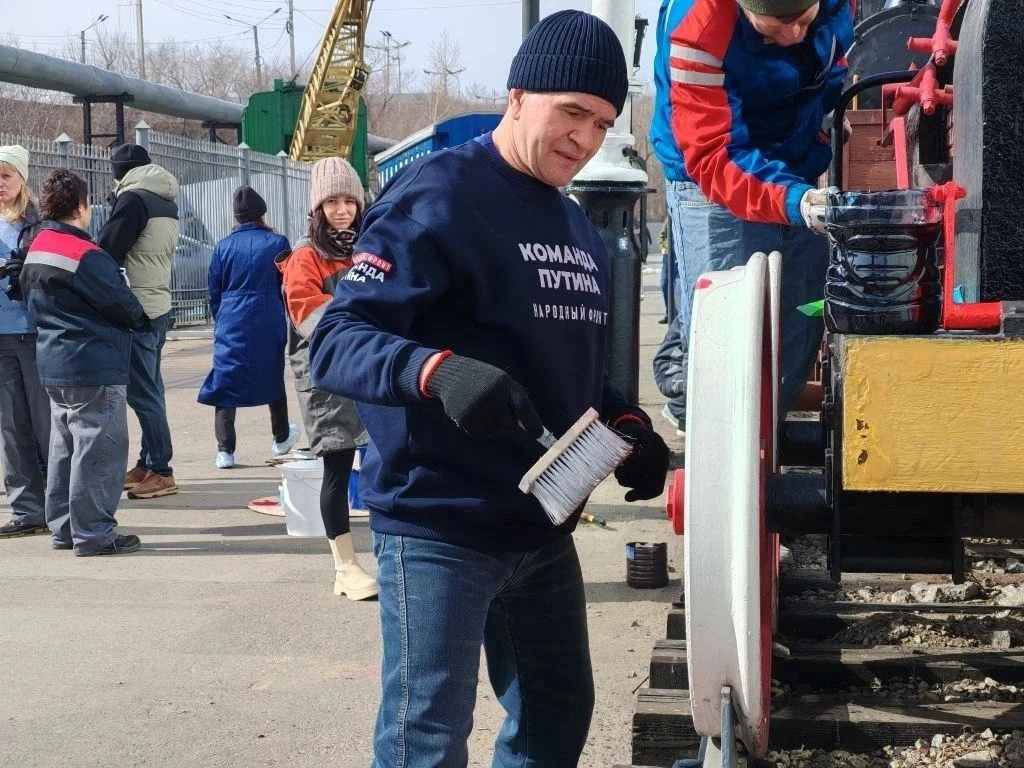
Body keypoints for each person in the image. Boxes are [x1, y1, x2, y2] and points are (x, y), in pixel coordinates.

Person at [308, 10, 672, 766]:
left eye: (602, 124)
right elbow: (337, 341)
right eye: (571, 112)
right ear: (517, 97)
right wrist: (437, 372)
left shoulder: (579, 230)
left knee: (556, 715)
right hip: (440, 523)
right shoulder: (437, 197)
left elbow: (572, 375)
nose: (584, 137)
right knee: (426, 737)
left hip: (541, 524)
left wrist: (629, 427)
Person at [650, 0, 854, 423]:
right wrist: (796, 201)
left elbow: (836, 54)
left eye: (803, 20)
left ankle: (766, 432)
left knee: (802, 321)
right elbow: (714, 156)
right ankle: (706, 421)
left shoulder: (840, 4)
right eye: (772, 26)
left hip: (796, 163)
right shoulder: (697, 26)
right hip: (713, 176)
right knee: (724, 339)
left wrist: (827, 110)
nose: (792, 35)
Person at [20, 169, 150, 555]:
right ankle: (94, 533)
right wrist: (140, 319)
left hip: (53, 361)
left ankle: (64, 529)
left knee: (64, 447)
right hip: (92, 362)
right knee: (99, 449)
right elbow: (123, 305)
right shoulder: (84, 254)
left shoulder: (38, 246)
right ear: (80, 207)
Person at [275, 157, 376, 602]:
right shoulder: (305, 256)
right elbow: (308, 315)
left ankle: (389, 553)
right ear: (317, 208)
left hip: (371, 367)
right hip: (327, 375)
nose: (341, 210)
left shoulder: (369, 248)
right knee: (337, 464)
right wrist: (365, 325)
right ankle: (345, 566)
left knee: (383, 460)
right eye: (331, 202)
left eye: (348, 201)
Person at [97, 143, 180, 499]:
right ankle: (148, 463)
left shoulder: (132, 200)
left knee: (143, 394)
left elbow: (107, 249)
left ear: (119, 172)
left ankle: (161, 469)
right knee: (152, 389)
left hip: (138, 310)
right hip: (158, 303)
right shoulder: (166, 199)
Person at [197, 186, 297, 468]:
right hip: (268, 317)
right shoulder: (278, 242)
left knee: (225, 378)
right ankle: (281, 438)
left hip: (232, 317)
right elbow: (290, 283)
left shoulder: (223, 246)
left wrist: (222, 317)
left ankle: (225, 451)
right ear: (262, 212)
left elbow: (214, 289)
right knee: (272, 373)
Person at [0, 145, 50, 539]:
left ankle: (60, 505)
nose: (0, 184)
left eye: (6, 176)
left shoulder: (39, 223)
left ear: (22, 178)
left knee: (46, 425)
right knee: (12, 428)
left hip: (34, 334)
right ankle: (27, 511)